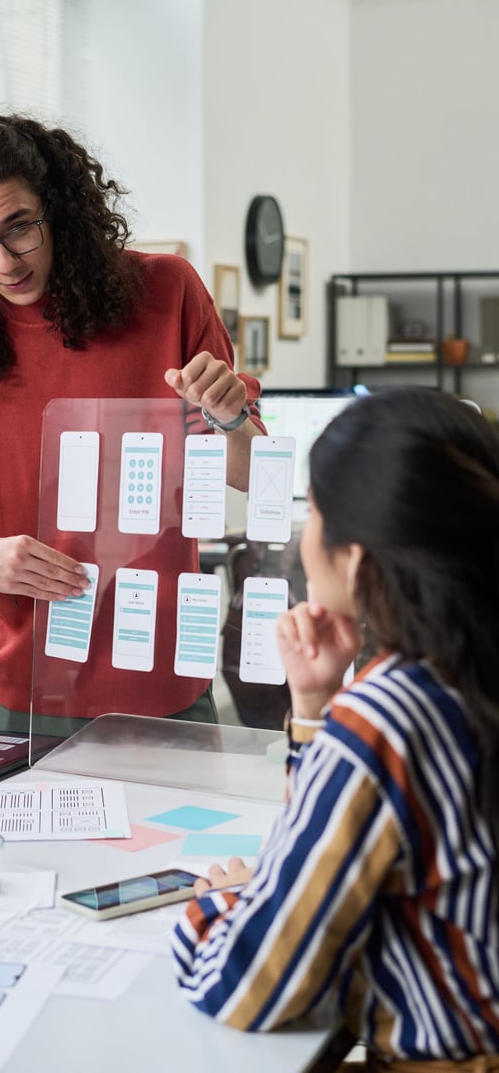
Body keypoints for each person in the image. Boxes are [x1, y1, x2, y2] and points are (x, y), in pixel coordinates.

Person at [0, 112, 265, 734]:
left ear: (56, 207)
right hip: (27, 688)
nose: (3, 263)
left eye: (19, 228)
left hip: (161, 679)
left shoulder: (167, 293)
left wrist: (229, 418)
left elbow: (251, 475)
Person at [173, 387, 499, 1070]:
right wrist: (317, 709)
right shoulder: (462, 675)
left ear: (355, 558)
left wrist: (222, 905)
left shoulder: (388, 717)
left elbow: (251, 986)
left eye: (315, 511)